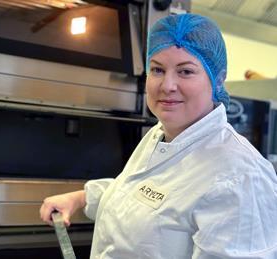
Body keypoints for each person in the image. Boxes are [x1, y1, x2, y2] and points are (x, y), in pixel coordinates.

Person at [40, 13, 277, 258]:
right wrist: (79, 198)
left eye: (185, 71)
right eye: (157, 70)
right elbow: (144, 194)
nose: (167, 85)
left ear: (217, 80)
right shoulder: (161, 134)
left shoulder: (239, 177)